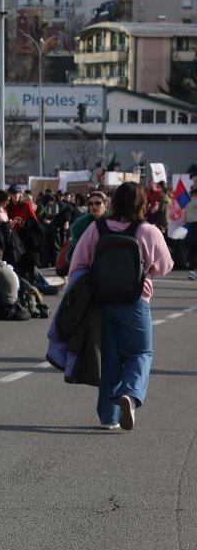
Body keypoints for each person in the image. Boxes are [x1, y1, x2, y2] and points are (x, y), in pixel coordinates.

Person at [69, 182, 173, 429]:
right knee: (140, 353)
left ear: (113, 202)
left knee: (111, 358)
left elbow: (78, 263)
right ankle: (131, 394)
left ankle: (109, 417)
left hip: (102, 302)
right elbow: (166, 265)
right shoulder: (148, 231)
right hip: (136, 302)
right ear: (141, 203)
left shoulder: (97, 229)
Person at [185, 187, 197, 280]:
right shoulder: (195, 203)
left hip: (191, 227)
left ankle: (192, 270)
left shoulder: (188, 204)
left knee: (192, 250)